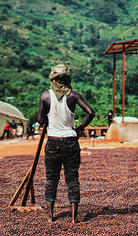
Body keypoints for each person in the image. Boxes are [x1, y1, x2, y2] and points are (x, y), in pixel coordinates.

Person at [37, 64, 95, 223]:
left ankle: (50, 216)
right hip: (70, 141)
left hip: (53, 142)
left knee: (51, 178)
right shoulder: (74, 95)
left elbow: (41, 121)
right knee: (72, 178)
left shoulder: (45, 96)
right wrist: (79, 129)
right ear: (68, 79)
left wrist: (47, 116)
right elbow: (91, 113)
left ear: (52, 79)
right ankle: (74, 217)